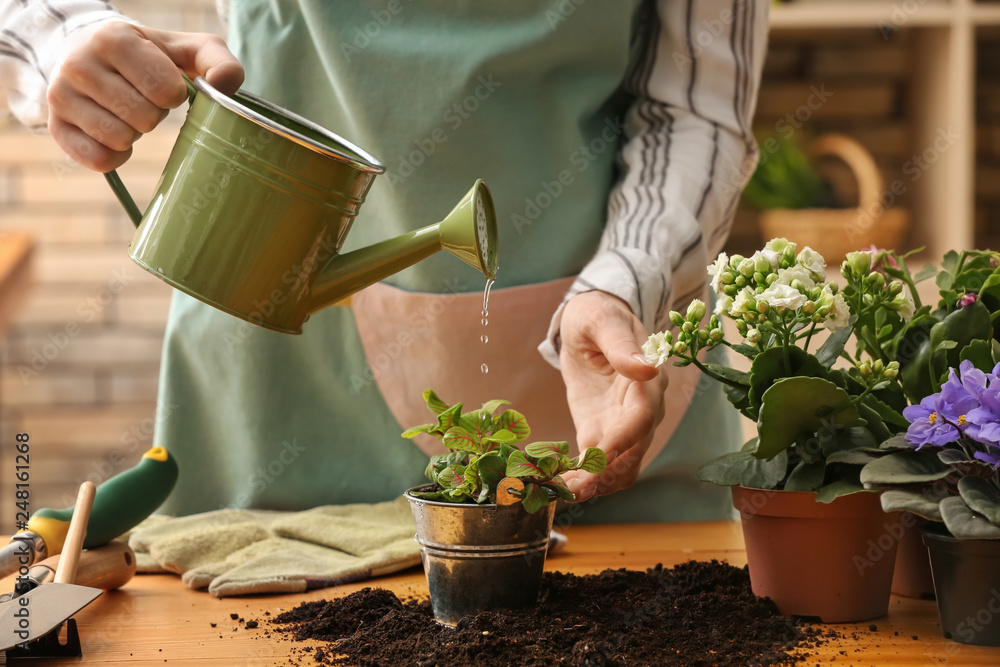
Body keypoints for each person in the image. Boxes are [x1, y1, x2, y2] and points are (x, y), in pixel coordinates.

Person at [1, 0, 769, 521]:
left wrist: (625, 283)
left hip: (600, 357)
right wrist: (57, 36)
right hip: (267, 341)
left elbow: (697, 107)